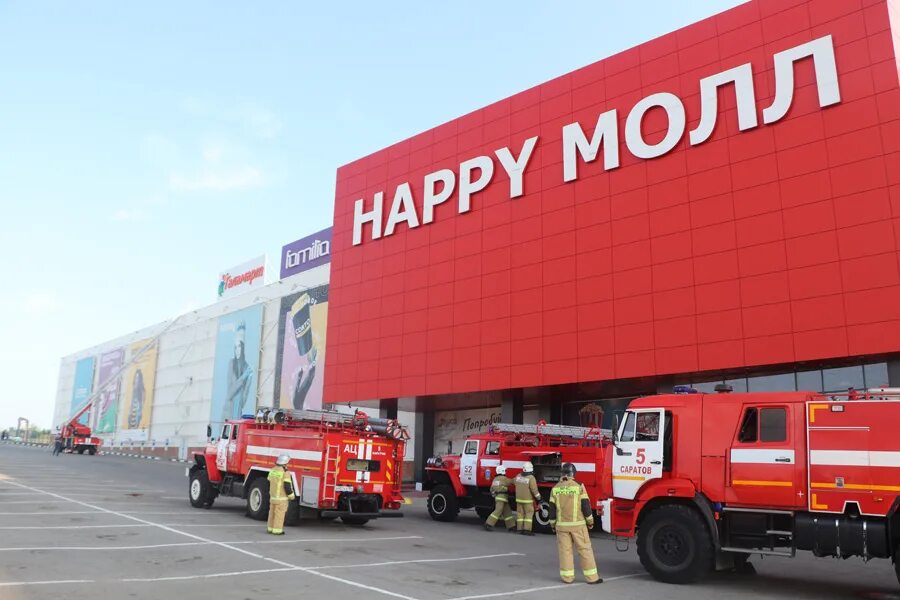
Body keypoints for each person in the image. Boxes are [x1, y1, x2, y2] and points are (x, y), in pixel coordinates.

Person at [549, 463, 601, 585]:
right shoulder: (579, 486)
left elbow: (552, 510)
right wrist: (590, 522)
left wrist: (553, 525)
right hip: (578, 526)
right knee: (584, 550)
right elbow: (586, 506)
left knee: (565, 552)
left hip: (562, 527)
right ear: (573, 474)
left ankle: (567, 578)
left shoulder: (555, 488)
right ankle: (592, 578)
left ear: (562, 474)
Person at [267, 454, 296, 535]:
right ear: (285, 463)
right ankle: (277, 530)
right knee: (279, 515)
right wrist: (291, 496)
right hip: (281, 499)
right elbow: (287, 486)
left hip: (273, 497)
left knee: (272, 514)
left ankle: (270, 528)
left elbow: (269, 481)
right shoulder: (285, 473)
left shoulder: (272, 470)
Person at [483, 465, 515, 532]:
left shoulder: (495, 479)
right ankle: (488, 524)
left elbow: (491, 489)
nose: (505, 472)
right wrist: (518, 478)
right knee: (498, 510)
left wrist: (494, 494)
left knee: (507, 512)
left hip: (499, 497)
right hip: (502, 497)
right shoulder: (503, 478)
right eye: (505, 471)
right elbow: (511, 482)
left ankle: (511, 526)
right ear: (502, 471)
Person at [514, 461, 541, 535]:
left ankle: (519, 529)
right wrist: (539, 498)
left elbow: (514, 482)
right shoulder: (531, 478)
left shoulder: (518, 476)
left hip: (518, 500)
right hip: (528, 501)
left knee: (520, 514)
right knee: (528, 514)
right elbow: (534, 490)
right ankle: (527, 530)